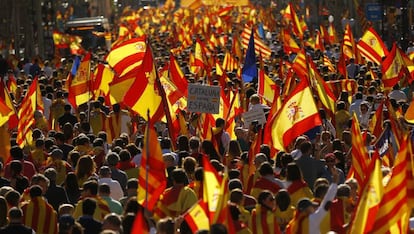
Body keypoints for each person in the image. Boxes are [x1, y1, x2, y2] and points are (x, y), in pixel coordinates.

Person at [285, 167, 339, 233]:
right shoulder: (313, 219)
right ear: (306, 210)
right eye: (311, 206)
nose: (314, 208)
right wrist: (334, 182)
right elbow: (326, 203)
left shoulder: (293, 223)